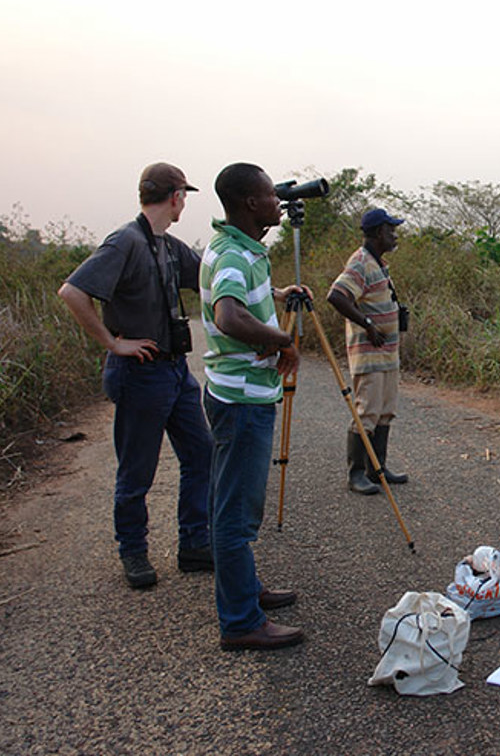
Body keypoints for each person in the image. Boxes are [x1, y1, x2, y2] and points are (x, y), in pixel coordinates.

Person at [58, 162, 213, 590]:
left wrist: (273, 291)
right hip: (140, 371)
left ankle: (195, 544)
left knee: (201, 453)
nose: (184, 203)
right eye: (184, 196)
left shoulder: (167, 245)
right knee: (137, 470)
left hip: (174, 370)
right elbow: (73, 291)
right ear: (176, 196)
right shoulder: (126, 241)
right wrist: (113, 343)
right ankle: (133, 551)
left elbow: (211, 278)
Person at [201, 162, 307, 651]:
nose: (277, 202)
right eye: (270, 195)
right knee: (235, 513)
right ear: (249, 203)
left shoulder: (241, 250)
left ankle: (247, 592)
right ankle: (241, 621)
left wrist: (280, 294)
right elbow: (228, 314)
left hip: (240, 392)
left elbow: (243, 298)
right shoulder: (232, 255)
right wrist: (282, 338)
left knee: (233, 504)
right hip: (242, 398)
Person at [326, 208, 410, 495]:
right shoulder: (360, 262)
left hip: (386, 353)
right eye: (390, 230)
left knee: (385, 412)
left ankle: (378, 468)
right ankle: (357, 473)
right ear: (377, 233)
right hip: (370, 353)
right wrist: (368, 323)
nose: (394, 235)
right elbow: (336, 295)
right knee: (368, 412)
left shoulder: (377, 263)